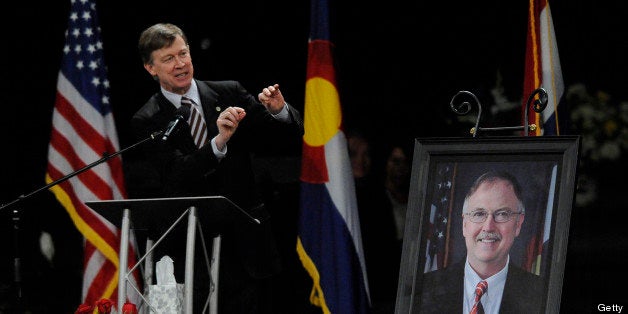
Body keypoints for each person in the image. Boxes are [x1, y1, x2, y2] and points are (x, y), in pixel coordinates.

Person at [130, 23, 304, 313]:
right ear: (151, 68)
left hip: (246, 247)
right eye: (169, 59)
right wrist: (219, 141)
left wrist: (279, 111)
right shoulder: (147, 120)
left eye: (183, 53)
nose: (180, 64)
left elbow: (282, 139)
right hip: (191, 252)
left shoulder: (229, 93)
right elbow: (177, 174)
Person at [419, 171, 545, 314]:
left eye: (502, 214)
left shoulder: (542, 294)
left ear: (518, 224)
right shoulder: (423, 289)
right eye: (479, 214)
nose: (488, 227)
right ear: (464, 224)